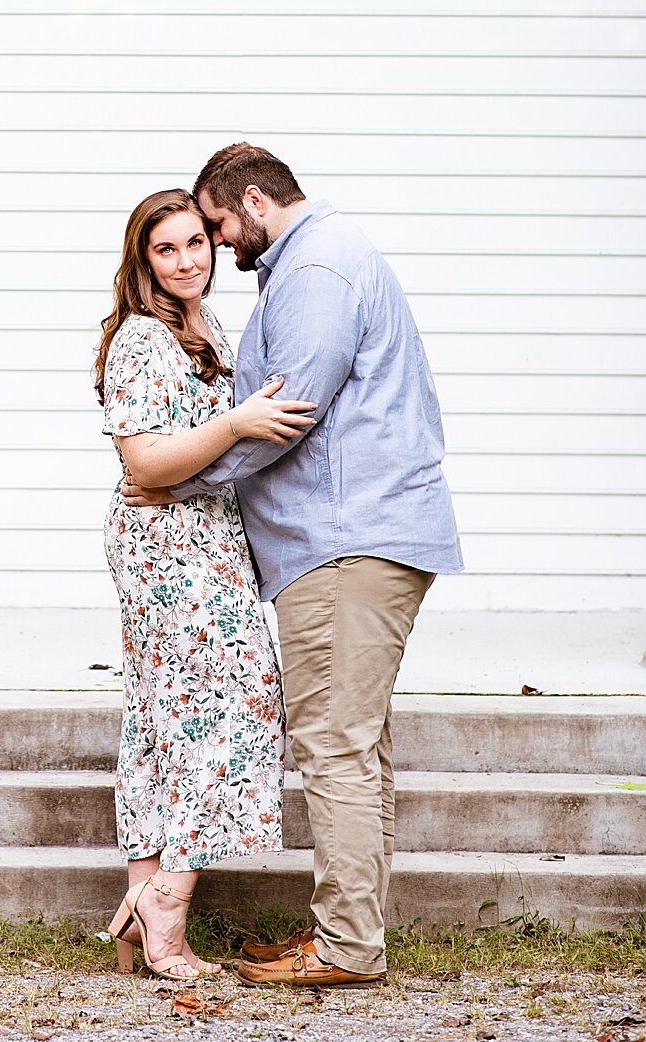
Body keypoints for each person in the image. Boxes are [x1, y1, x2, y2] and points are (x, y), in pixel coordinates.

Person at [126, 143, 463, 991]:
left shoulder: (315, 268)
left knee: (334, 747)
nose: (211, 245)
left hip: (347, 543)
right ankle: (351, 936)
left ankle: (346, 947)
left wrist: (178, 479)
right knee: (356, 747)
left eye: (214, 226)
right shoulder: (322, 258)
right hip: (351, 538)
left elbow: (285, 413)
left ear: (250, 202)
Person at [94, 188, 317, 982]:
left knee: (167, 710)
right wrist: (237, 422)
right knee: (240, 698)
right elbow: (144, 463)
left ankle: (144, 916)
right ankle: (167, 899)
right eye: (168, 249)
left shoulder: (206, 328)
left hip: (207, 539)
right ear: (142, 259)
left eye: (198, 243)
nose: (189, 260)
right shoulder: (141, 341)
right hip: (166, 547)